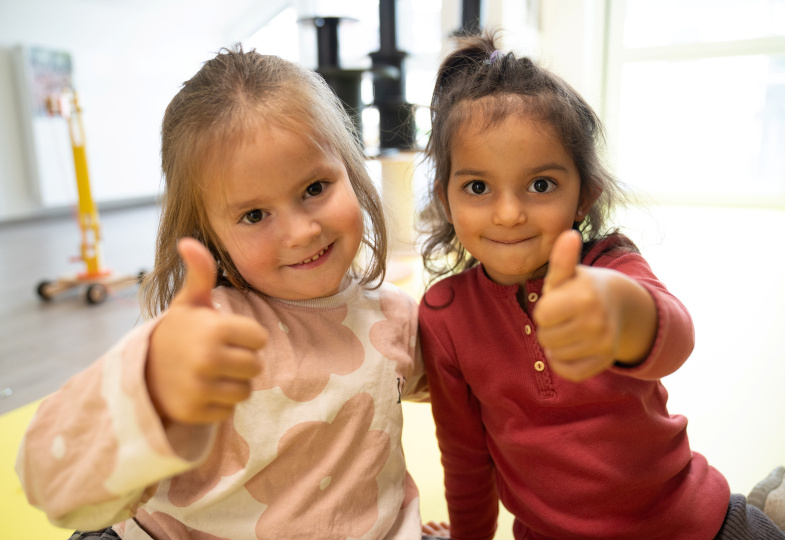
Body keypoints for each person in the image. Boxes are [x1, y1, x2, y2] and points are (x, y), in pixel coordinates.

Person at [15, 46, 433, 540]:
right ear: (208, 233)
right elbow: (51, 481)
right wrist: (149, 386)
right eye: (254, 215)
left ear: (351, 169)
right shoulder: (207, 335)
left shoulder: (397, 318)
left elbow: (483, 387)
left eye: (316, 187)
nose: (300, 232)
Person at [417, 29, 785, 540]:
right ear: (445, 197)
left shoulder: (611, 267)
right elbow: (465, 459)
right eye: (477, 187)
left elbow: (675, 339)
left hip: (696, 523)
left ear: (584, 195)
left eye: (540, 184)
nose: (508, 213)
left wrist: (618, 311)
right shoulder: (444, 315)